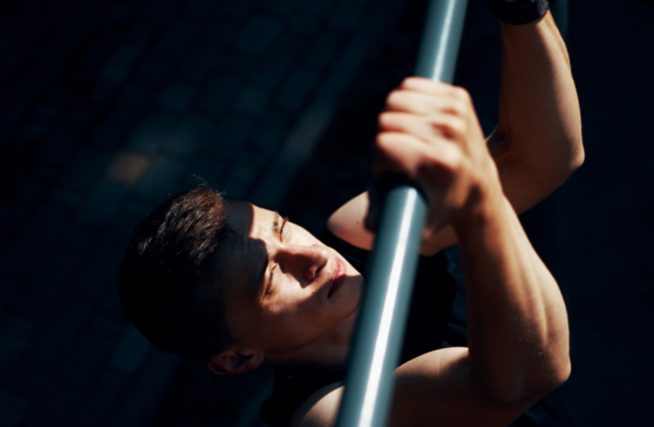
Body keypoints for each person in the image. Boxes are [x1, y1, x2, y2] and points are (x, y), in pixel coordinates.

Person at [118, 2, 583, 426]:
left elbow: (539, 160)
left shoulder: (357, 234)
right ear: (239, 358)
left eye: (280, 227)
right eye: (271, 278)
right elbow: (526, 376)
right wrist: (476, 196)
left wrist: (522, 10)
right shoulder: (326, 414)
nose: (308, 254)